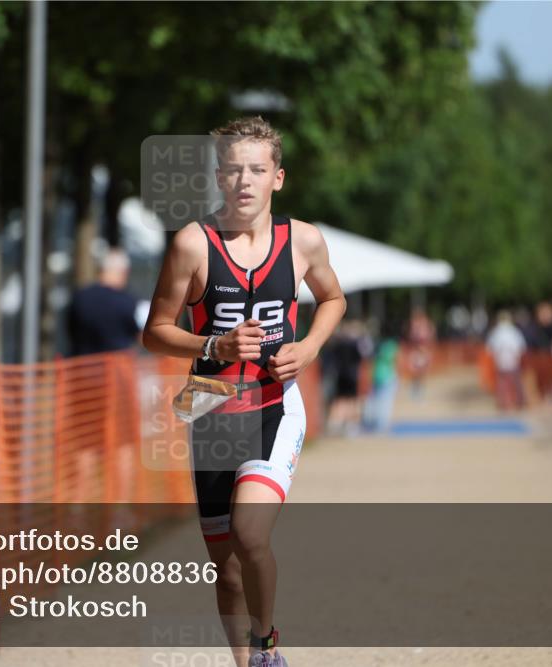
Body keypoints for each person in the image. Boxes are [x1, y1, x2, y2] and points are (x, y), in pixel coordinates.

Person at [143, 115, 345, 667]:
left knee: (250, 534)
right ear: (218, 177)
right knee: (226, 567)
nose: (245, 182)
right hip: (209, 404)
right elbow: (155, 331)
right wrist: (214, 346)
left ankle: (267, 645)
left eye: (257, 170)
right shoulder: (192, 243)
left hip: (275, 405)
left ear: (278, 177)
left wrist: (308, 348)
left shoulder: (302, 240)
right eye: (234, 170)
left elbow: (333, 299)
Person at [67, 247, 141, 356]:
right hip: (116, 368)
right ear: (124, 272)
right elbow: (139, 335)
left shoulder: (79, 297)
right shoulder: (127, 301)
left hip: (82, 367)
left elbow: (70, 330)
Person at [361, 321, 399, 432]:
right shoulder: (392, 345)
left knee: (376, 401)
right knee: (385, 401)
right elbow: (395, 360)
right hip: (387, 376)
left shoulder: (378, 344)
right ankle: (381, 424)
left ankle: (376, 423)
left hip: (377, 375)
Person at [486, 310, 527, 411]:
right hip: (511, 361)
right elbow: (521, 347)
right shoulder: (513, 331)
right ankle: (518, 402)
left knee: (504, 383)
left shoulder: (497, 332)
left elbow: (490, 348)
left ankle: (504, 402)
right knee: (513, 382)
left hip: (503, 361)